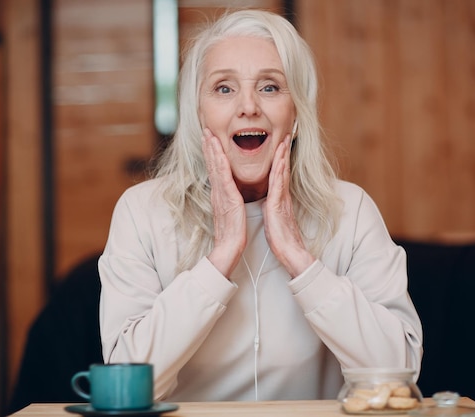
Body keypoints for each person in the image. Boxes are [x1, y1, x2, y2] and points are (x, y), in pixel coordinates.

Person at [98, 9, 423, 402]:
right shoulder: (141, 212)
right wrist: (220, 258)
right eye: (223, 88)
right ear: (197, 114)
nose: (248, 106)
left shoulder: (350, 210)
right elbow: (126, 385)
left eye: (270, 87)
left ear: (297, 115)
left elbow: (397, 370)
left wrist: (300, 260)